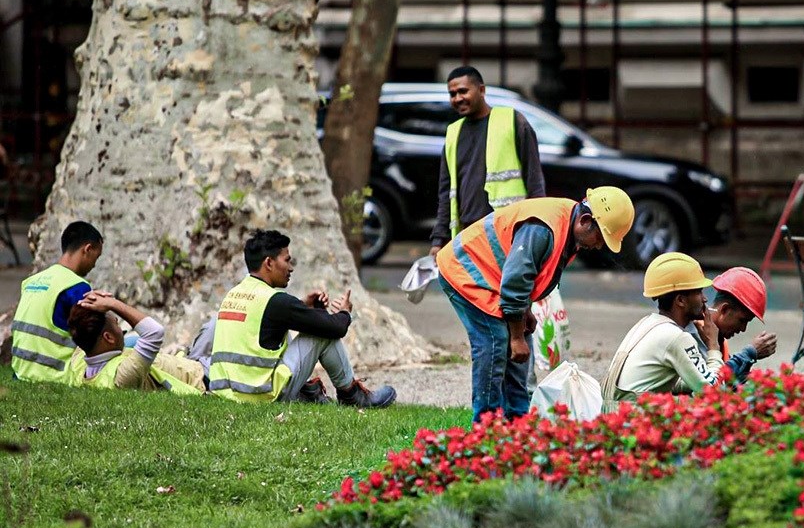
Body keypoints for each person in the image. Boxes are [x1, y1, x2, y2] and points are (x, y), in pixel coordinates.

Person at [438, 189, 634, 422]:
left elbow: (531, 274)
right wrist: (516, 337)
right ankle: (485, 425)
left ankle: (518, 421)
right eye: (601, 238)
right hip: (467, 272)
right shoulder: (543, 229)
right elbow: (515, 281)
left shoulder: (568, 230)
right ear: (585, 221)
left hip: (495, 278)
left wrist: (525, 312)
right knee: (495, 342)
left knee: (520, 345)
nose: (600, 246)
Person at [208, 229, 396, 406]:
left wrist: (303, 305)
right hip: (259, 396)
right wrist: (345, 312)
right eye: (287, 260)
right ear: (269, 263)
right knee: (321, 334)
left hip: (225, 393)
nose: (290, 268)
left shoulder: (234, 294)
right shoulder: (277, 302)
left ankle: (307, 391)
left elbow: (270, 320)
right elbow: (335, 328)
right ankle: (352, 395)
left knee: (281, 334)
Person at [429, 66, 546, 256]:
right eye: (452, 94)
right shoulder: (453, 133)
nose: (457, 98)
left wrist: (538, 228)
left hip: (509, 232)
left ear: (481, 90)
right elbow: (446, 193)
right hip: (468, 235)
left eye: (463, 91)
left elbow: (534, 180)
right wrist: (438, 240)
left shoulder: (512, 121)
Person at [602, 253, 725, 412]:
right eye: (699, 291)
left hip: (613, 416)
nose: (704, 299)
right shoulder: (676, 337)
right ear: (680, 300)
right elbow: (715, 391)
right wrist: (713, 345)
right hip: (633, 425)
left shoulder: (648, 323)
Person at [11, 221, 104, 383]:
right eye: (97, 257)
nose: (94, 265)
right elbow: (95, 339)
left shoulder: (31, 282)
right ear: (87, 249)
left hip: (20, 372)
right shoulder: (76, 286)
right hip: (54, 375)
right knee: (133, 343)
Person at [66, 294, 205, 393]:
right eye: (116, 324)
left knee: (132, 340)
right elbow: (154, 332)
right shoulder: (122, 377)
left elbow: (81, 325)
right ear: (109, 338)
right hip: (202, 377)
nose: (122, 329)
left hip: (189, 360)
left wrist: (89, 305)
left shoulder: (79, 361)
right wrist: (113, 303)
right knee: (219, 321)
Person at [685, 267, 777, 383]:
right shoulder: (695, 333)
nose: (743, 329)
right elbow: (710, 384)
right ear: (725, 310)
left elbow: (728, 382)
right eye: (742, 320)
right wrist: (749, 353)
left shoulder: (718, 338)